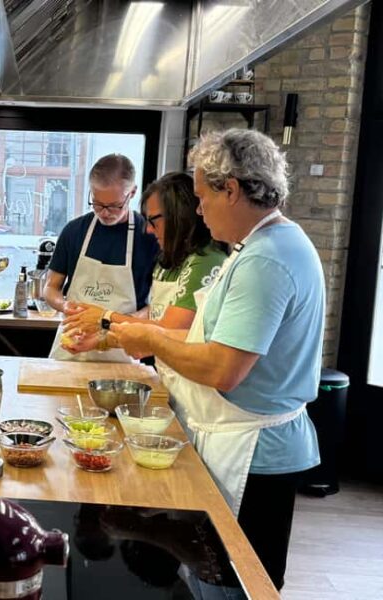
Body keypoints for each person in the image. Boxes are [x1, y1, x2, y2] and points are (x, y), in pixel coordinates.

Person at [111, 129, 324, 590]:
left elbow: (223, 370)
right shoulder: (263, 245)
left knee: (240, 584)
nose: (200, 209)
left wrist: (150, 337)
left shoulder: (266, 259)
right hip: (243, 442)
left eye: (204, 197)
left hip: (253, 454)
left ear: (232, 189)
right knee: (216, 577)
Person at [62, 172, 227, 353]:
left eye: (153, 221)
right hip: (168, 376)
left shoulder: (206, 262)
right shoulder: (169, 263)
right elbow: (153, 320)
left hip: (189, 380)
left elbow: (167, 330)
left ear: (179, 216)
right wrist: (101, 341)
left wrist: (105, 317)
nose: (148, 230)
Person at [43, 153, 159, 361]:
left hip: (123, 348)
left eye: (114, 205)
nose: (104, 213)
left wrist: (121, 322)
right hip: (71, 347)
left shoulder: (149, 235)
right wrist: (65, 306)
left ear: (131, 193)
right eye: (97, 203)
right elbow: (51, 288)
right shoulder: (74, 231)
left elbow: (158, 307)